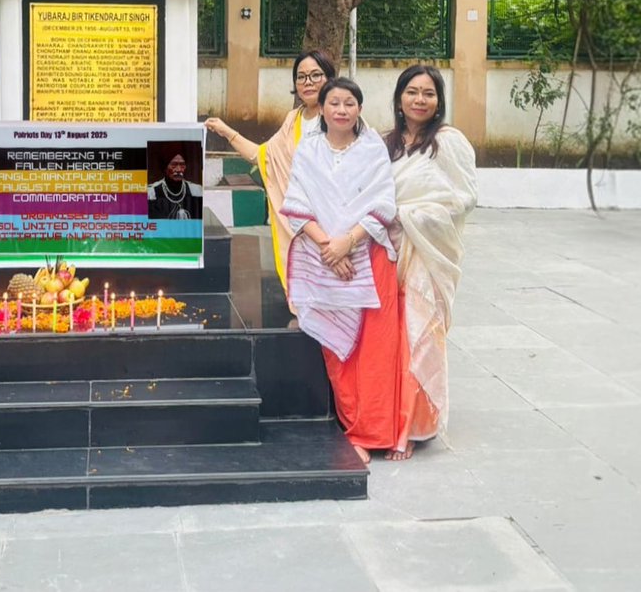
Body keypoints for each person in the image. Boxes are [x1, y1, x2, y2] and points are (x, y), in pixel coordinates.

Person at [280, 77, 399, 464]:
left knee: (374, 352)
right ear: (323, 107)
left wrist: (349, 240)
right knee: (338, 352)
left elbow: (384, 201)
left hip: (368, 257)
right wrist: (328, 246)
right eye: (334, 103)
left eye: (350, 103)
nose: (342, 110)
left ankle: (379, 431)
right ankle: (355, 430)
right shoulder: (309, 148)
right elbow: (297, 200)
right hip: (321, 259)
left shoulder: (373, 148)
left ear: (360, 109)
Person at [384, 64, 478, 460]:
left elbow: (463, 198)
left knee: (419, 334)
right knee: (389, 340)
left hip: (427, 252)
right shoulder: (385, 143)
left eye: (429, 93)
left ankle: (415, 424)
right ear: (400, 98)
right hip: (389, 251)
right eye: (412, 92)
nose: (420, 100)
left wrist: (410, 214)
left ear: (439, 100)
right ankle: (388, 418)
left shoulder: (449, 142)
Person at [205, 49, 336, 292]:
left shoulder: (341, 116)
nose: (307, 83)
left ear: (329, 78)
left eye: (315, 75)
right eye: (301, 77)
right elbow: (262, 156)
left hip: (334, 225)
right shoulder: (292, 120)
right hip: (299, 224)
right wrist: (225, 131)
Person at [146, 144, 203, 220]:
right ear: (165, 167)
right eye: (174, 165)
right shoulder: (152, 193)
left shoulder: (196, 191)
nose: (179, 169)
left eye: (182, 165)